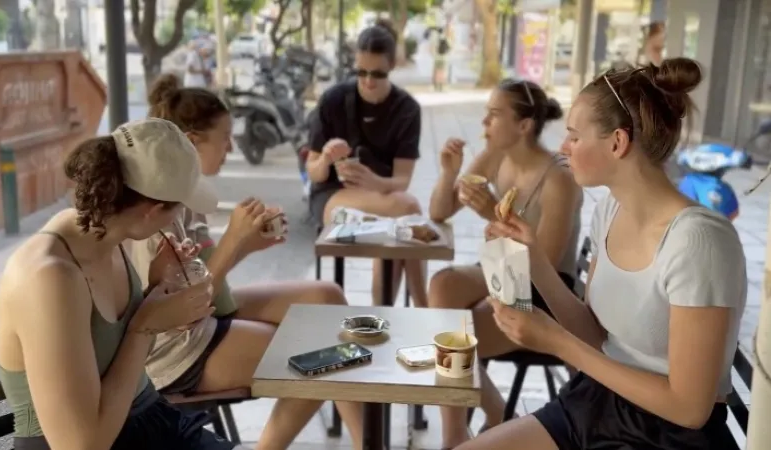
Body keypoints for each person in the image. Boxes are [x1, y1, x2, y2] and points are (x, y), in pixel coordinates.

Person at [461, 58, 746, 450]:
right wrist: (534, 261)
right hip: (597, 401)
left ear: (617, 142)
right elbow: (594, 335)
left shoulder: (699, 242)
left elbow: (689, 408)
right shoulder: (609, 211)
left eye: (574, 136)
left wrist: (557, 343)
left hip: (670, 436)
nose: (563, 148)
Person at [131, 73, 365, 449]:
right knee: (325, 356)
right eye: (225, 139)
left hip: (205, 315)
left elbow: (212, 290)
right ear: (191, 143)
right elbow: (186, 308)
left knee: (327, 296)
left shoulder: (190, 193)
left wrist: (248, 244)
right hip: (175, 351)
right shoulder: (161, 208)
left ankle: (364, 443)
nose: (231, 148)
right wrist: (235, 240)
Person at [0, 118, 242, 449]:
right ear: (151, 212)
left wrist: (157, 291)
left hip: (146, 421)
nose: (179, 218)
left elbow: (116, 361)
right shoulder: (49, 279)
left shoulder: (107, 237)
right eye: (178, 208)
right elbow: (80, 445)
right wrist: (145, 327)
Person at [427, 79, 582, 448]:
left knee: (450, 335)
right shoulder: (495, 155)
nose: (484, 124)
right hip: (506, 271)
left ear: (524, 125)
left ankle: (471, 428)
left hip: (546, 294)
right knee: (442, 286)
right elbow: (439, 211)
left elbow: (543, 265)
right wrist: (450, 171)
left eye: (494, 115)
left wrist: (492, 216)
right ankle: (485, 416)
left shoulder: (558, 179)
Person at [306, 19, 427, 307]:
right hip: (332, 197)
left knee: (398, 228)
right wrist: (325, 158)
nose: (368, 81)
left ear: (392, 66)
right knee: (408, 209)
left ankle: (382, 315)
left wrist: (374, 182)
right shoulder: (334, 100)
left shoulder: (406, 109)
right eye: (361, 72)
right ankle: (424, 308)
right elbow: (313, 172)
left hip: (384, 198)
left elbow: (402, 180)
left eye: (377, 73)